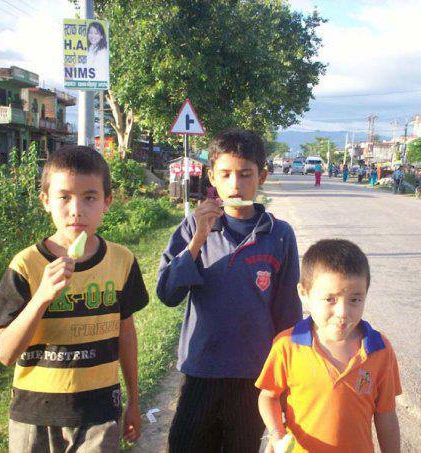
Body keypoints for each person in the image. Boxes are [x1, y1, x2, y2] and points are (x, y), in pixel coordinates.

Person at [0, 146, 148, 452]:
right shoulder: (26, 265)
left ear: (107, 202)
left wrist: (134, 401)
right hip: (34, 414)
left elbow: (126, 334)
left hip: (99, 410)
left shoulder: (122, 261)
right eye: (64, 197)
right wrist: (41, 297)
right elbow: (5, 354)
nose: (76, 210)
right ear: (45, 201)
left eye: (90, 197)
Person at [157, 129, 302, 452]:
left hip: (254, 373)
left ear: (262, 176)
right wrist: (197, 241)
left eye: (245, 174)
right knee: (185, 445)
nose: (235, 184)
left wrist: (287, 377)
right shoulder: (194, 227)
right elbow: (167, 294)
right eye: (225, 174)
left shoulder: (278, 235)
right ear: (212, 177)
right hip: (201, 367)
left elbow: (287, 313)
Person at [256, 239, 402, 452]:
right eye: (330, 299)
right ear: (304, 293)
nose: (343, 313)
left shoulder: (379, 350)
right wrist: (278, 437)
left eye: (355, 300)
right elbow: (268, 397)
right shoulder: (287, 346)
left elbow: (386, 414)